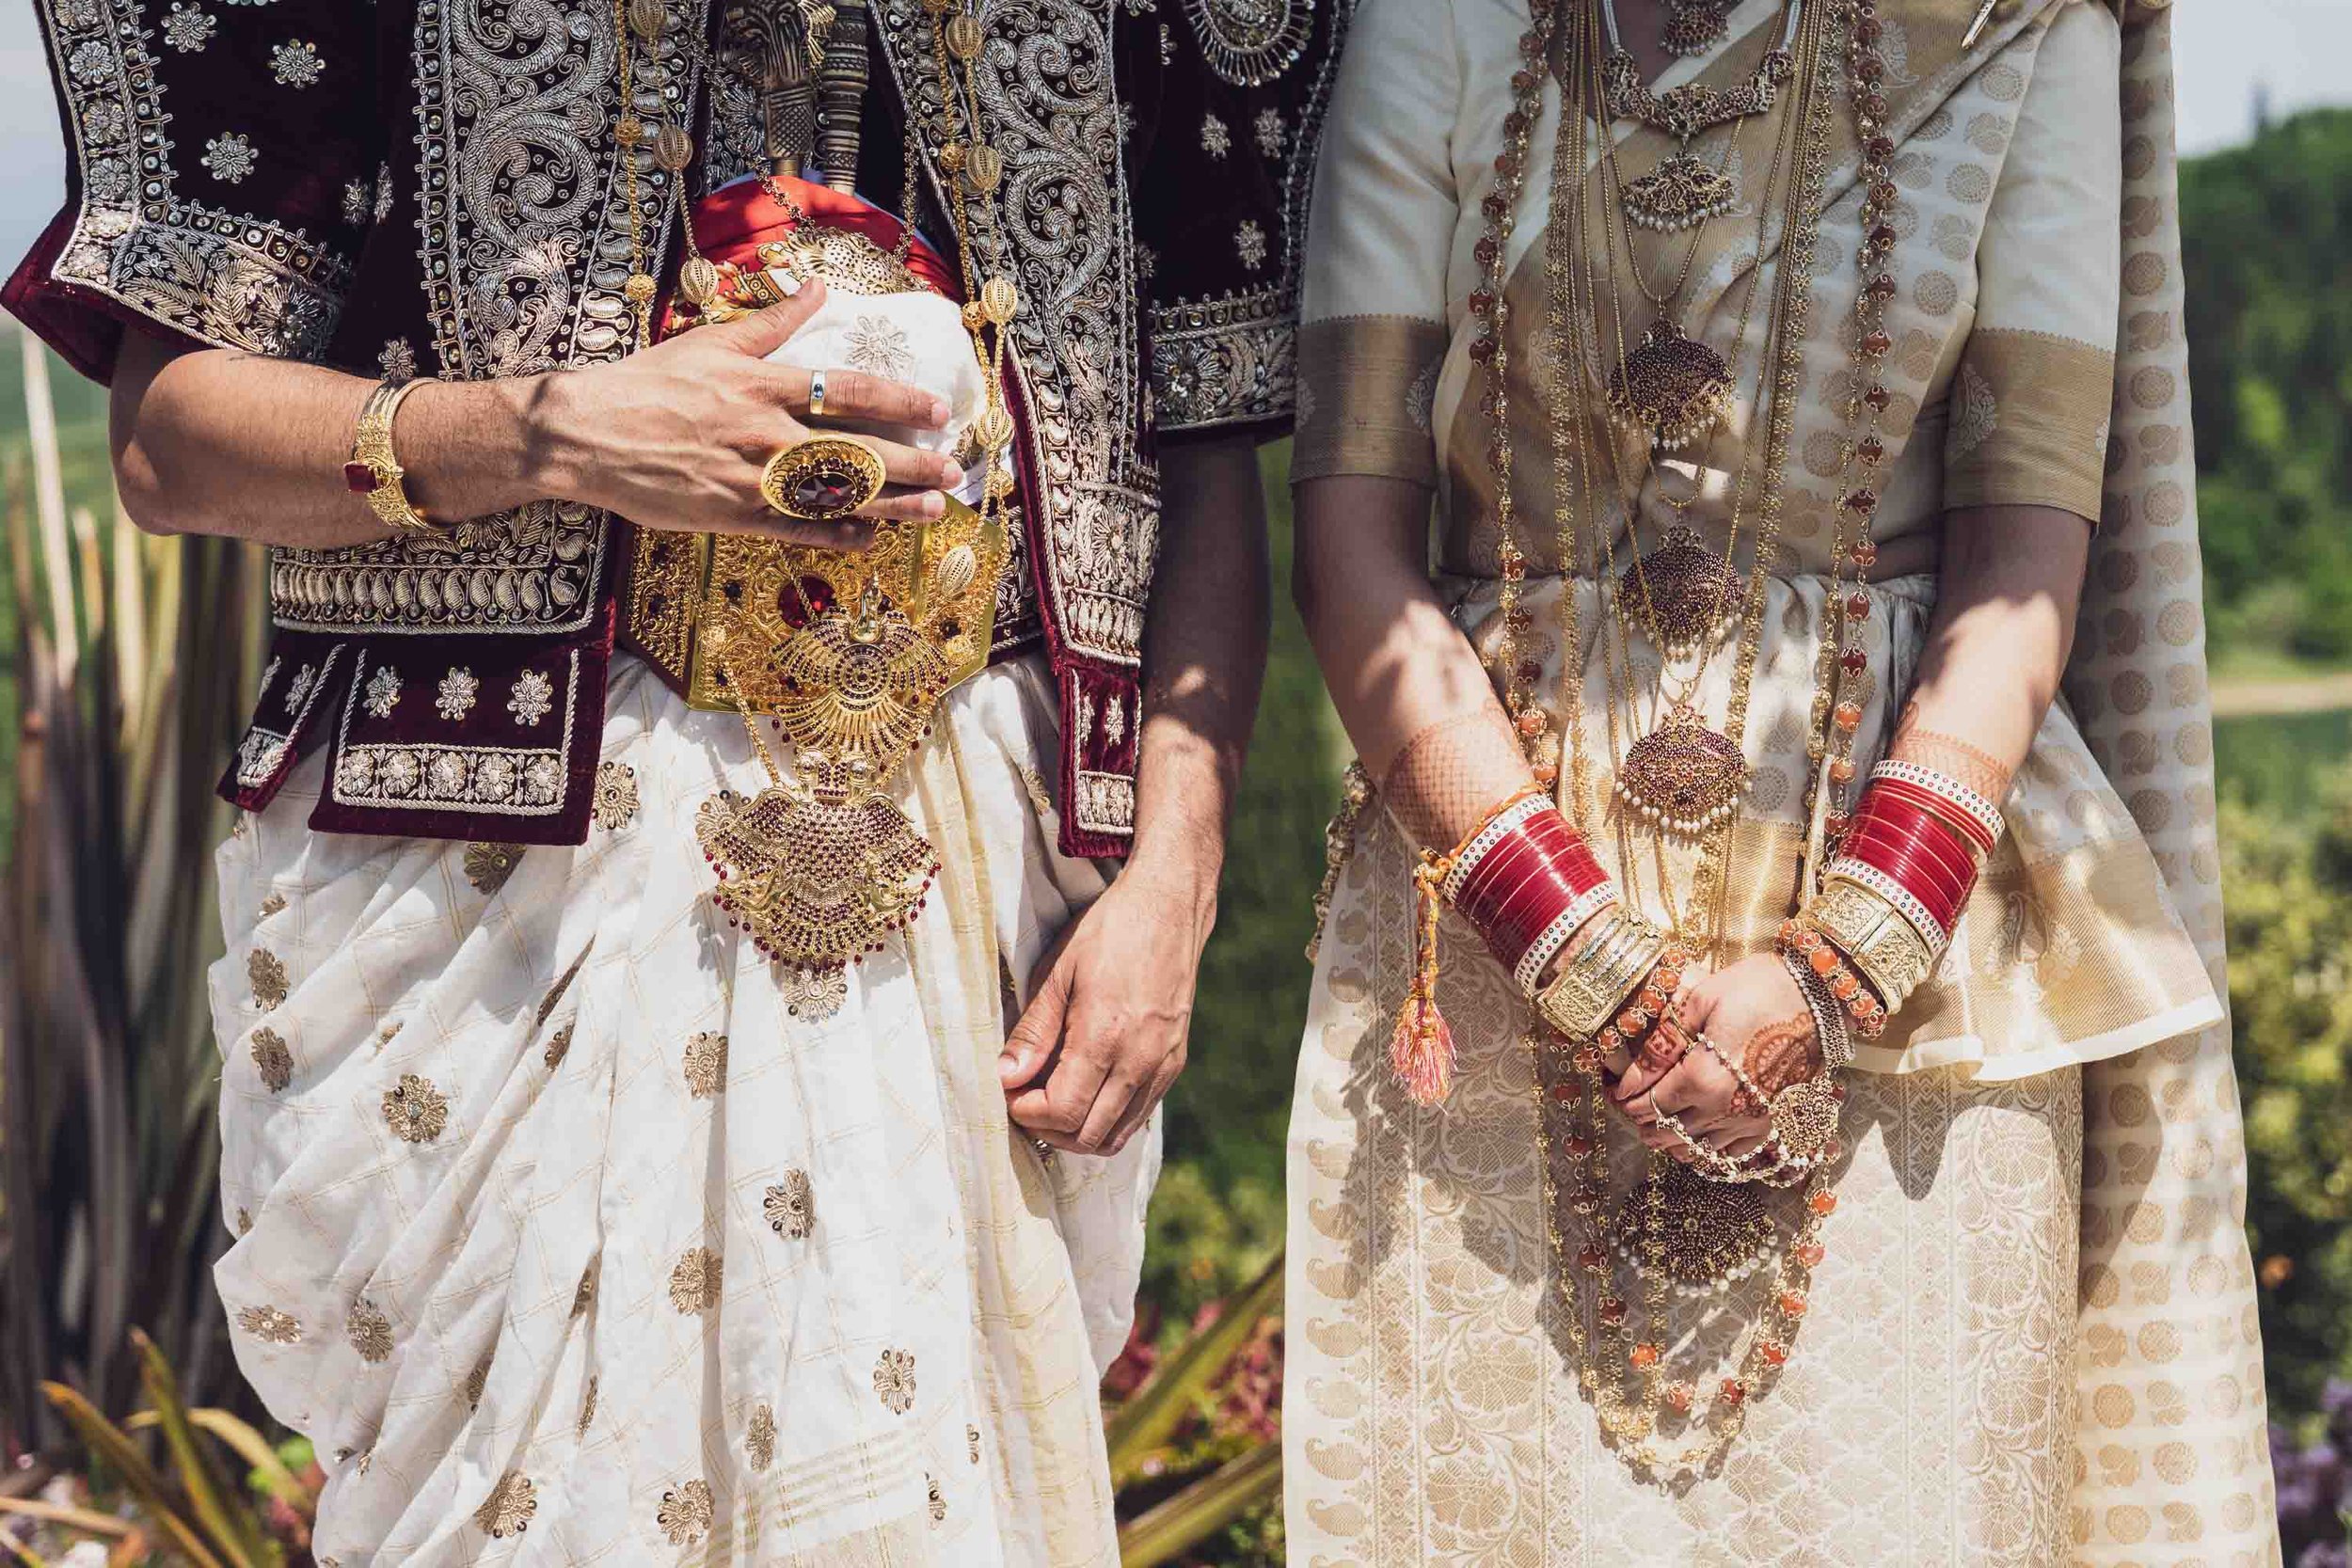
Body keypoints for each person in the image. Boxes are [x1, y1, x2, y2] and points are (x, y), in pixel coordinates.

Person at [8, 0, 1345, 1559]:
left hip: (973, 880)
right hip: (515, 900)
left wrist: (1173, 892)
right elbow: (173, 444)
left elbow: (1202, 446)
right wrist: (555, 435)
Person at [1283, 0, 2279, 1560]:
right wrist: (1578, 952)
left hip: (1927, 966)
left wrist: (1837, 972)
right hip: (1488, 936)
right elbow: (1352, 548)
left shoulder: (2019, 33)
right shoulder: (1447, 23)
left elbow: (2023, 577)